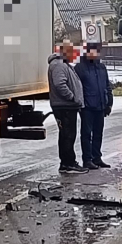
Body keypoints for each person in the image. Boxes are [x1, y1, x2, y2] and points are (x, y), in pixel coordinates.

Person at [47, 42, 87, 174]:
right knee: (68, 135)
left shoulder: (62, 63)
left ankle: (67, 162)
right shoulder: (58, 64)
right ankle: (68, 163)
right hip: (65, 106)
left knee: (67, 135)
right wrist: (72, 97)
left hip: (66, 106)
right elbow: (60, 84)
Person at [74, 41, 113, 170]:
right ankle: (87, 159)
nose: (95, 54)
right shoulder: (80, 68)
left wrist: (109, 102)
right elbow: (77, 88)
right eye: (92, 51)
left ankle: (97, 157)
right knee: (86, 134)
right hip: (87, 107)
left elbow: (107, 86)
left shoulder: (101, 67)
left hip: (100, 105)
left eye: (96, 51)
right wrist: (80, 104)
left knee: (98, 133)